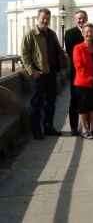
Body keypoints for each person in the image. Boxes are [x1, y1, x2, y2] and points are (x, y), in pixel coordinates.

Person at [21, 8, 66, 139]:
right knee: (37, 103)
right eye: (43, 18)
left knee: (51, 102)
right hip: (39, 75)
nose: (45, 21)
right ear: (38, 19)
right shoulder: (31, 34)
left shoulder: (51, 33)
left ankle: (48, 127)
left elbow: (58, 50)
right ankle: (36, 131)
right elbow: (24, 55)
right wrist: (32, 71)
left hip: (52, 73)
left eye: (47, 18)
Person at [64, 10, 93, 136]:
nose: (81, 20)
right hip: (77, 73)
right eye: (79, 18)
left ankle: (92, 125)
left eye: (83, 18)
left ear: (86, 19)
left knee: (91, 101)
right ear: (75, 20)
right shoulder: (69, 33)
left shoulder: (92, 32)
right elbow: (72, 54)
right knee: (76, 101)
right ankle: (75, 127)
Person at [72, 23, 93, 139]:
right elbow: (79, 66)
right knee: (83, 107)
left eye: (91, 31)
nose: (89, 34)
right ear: (82, 34)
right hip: (83, 83)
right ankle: (85, 130)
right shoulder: (78, 48)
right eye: (86, 32)